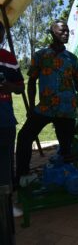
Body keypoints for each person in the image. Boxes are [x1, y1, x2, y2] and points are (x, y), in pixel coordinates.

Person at [16, 20, 78, 186]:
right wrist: (32, 106)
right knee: (25, 137)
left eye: (68, 31)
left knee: (66, 147)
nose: (66, 33)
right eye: (62, 31)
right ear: (52, 32)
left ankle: (67, 178)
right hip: (45, 107)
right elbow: (32, 81)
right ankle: (22, 175)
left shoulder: (71, 58)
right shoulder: (40, 56)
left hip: (66, 109)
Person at [0, 21, 25, 217]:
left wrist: (10, 86)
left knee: (6, 162)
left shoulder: (8, 57)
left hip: (4, 119)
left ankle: (7, 206)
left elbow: (20, 87)